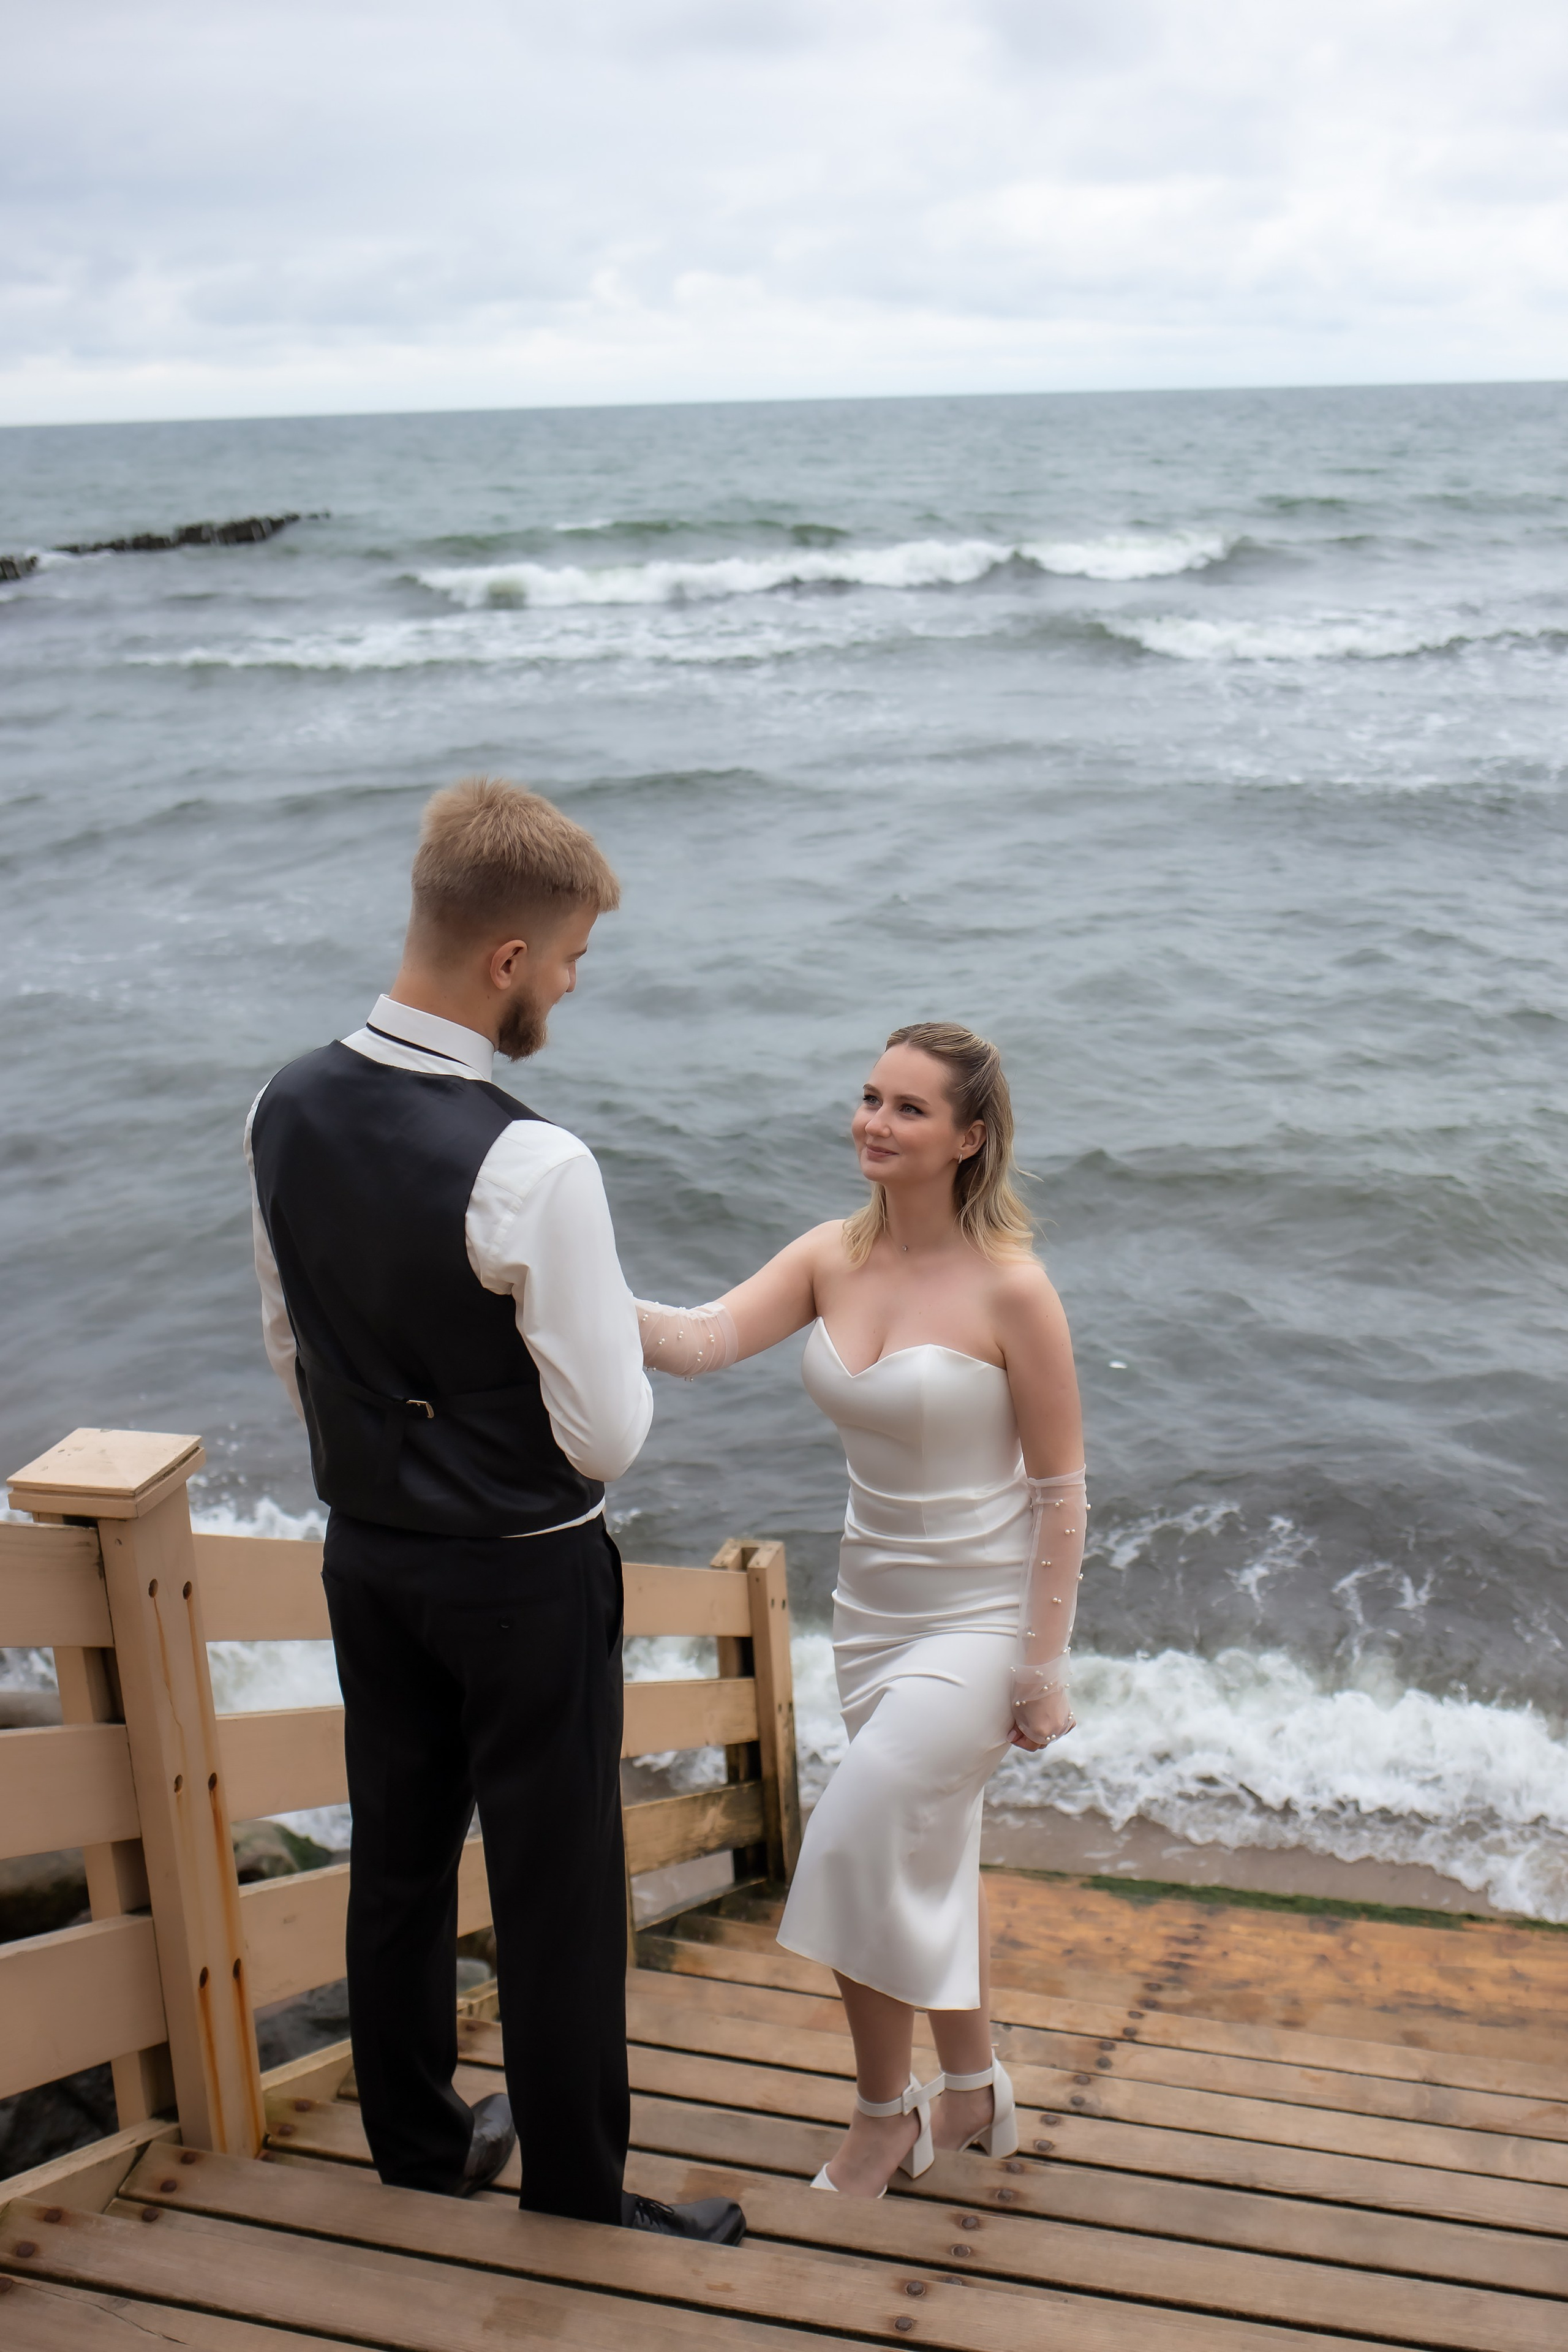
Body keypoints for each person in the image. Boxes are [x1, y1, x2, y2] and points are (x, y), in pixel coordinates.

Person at [245, 776, 743, 2244]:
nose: (576, 985)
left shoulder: (282, 1102)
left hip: (369, 1555)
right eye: (574, 957)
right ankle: (582, 2203)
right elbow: (605, 1438)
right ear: (506, 962)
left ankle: (416, 2145)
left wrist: (393, 1474)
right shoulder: (534, 1161)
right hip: (523, 1578)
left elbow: (291, 1343)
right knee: (557, 1891)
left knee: (396, 1854)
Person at [636, 1022, 1085, 2198]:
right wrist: (561, 1282)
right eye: (869, 1097)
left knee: (849, 1842)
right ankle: (977, 2087)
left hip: (981, 1630)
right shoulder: (830, 1255)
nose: (874, 1123)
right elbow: (696, 1342)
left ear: (969, 1138)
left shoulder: (1014, 1290)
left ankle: (886, 2115)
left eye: (909, 1109)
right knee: (919, 1857)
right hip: (871, 1619)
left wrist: (1041, 1669)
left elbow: (1064, 1492)